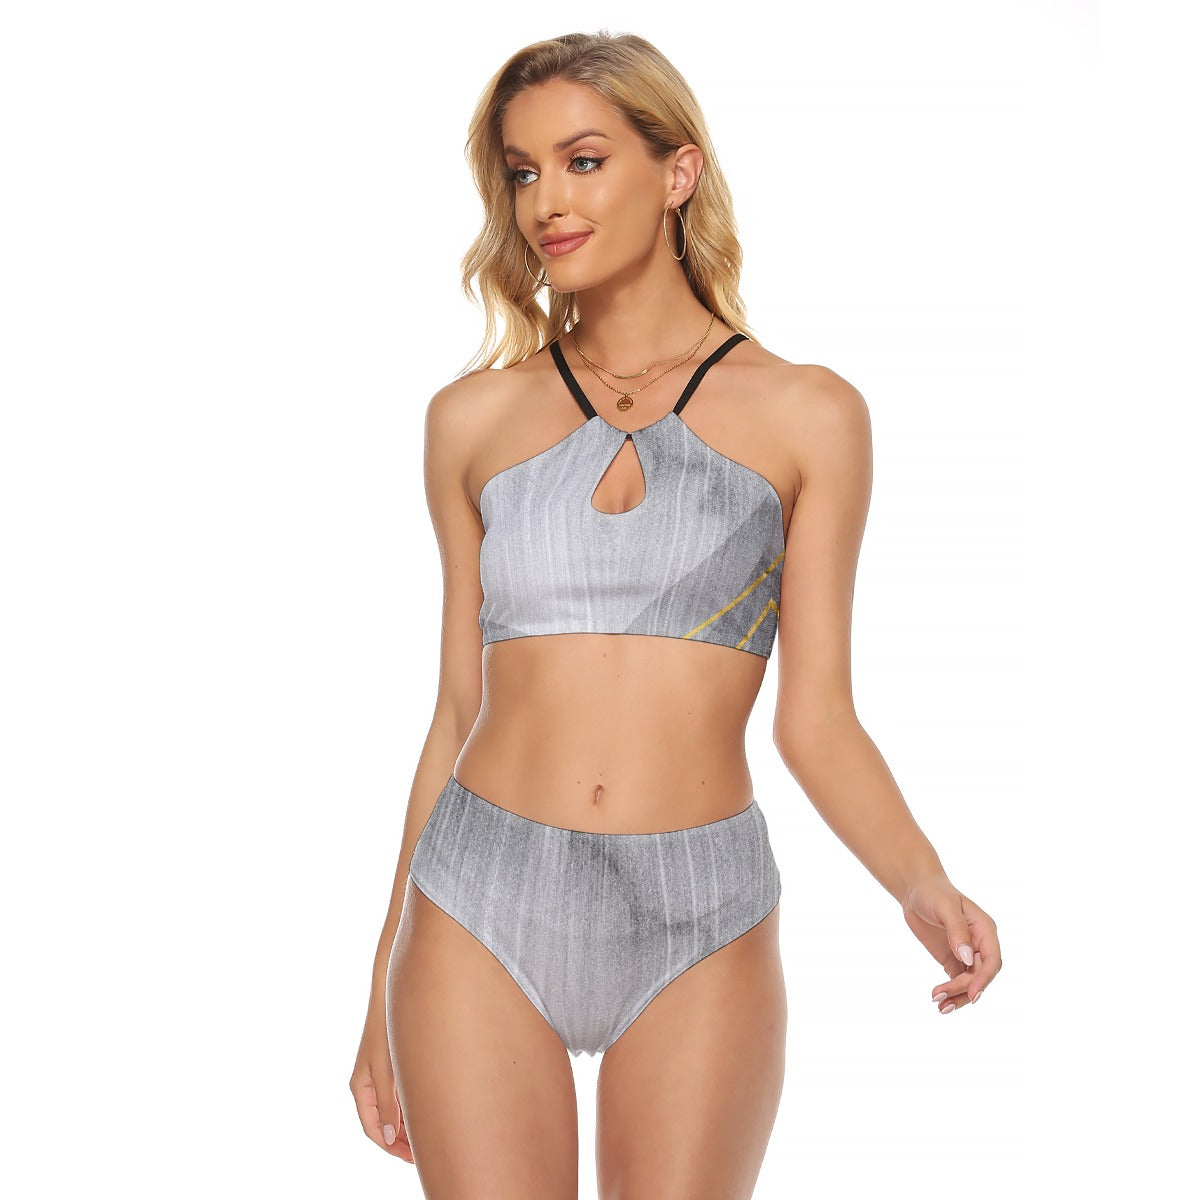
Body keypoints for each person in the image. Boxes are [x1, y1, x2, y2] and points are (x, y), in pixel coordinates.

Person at [349, 29, 1002, 1199]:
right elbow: (455, 710)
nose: (547, 201)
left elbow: (817, 718)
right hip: (478, 896)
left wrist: (922, 881)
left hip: (701, 910)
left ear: (677, 171)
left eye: (584, 160)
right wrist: (375, 993)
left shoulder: (810, 415)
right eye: (523, 171)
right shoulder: (470, 421)